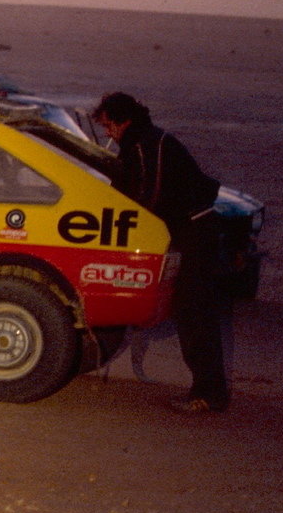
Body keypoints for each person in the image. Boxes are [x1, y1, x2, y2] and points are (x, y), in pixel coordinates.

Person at [90, 92, 230, 413]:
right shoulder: (148, 140)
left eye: (109, 126)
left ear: (123, 121)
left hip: (195, 231)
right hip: (191, 229)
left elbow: (147, 198)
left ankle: (209, 393)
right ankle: (208, 388)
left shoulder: (144, 146)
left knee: (195, 312)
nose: (107, 134)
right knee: (192, 311)